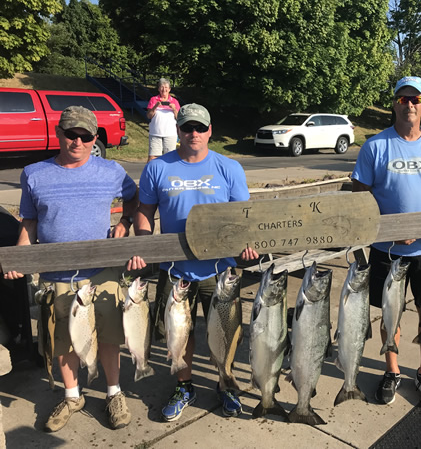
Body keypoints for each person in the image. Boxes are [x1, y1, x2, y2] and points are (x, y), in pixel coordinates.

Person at [3, 106, 139, 432]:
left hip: (101, 270)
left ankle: (113, 392)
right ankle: (72, 395)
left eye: (86, 136)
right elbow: (30, 222)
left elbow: (134, 200)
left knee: (108, 336)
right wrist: (20, 261)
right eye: (71, 134)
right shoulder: (34, 173)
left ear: (95, 138)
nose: (77, 141)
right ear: (59, 133)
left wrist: (124, 224)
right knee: (62, 339)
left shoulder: (112, 170)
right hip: (56, 274)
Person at [127, 103, 258, 422]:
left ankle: (226, 384)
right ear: (178, 131)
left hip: (219, 270)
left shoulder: (229, 168)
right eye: (188, 127)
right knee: (180, 335)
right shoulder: (158, 168)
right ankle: (184, 386)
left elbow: (243, 218)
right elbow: (144, 211)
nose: (194, 133)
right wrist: (145, 240)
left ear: (210, 130)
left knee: (225, 334)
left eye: (200, 127)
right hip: (176, 270)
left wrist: (247, 247)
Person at [351, 76, 421, 407]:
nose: (409, 105)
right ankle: (392, 370)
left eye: (415, 99)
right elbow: (360, 197)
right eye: (402, 99)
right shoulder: (375, 146)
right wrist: (387, 229)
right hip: (388, 250)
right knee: (390, 315)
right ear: (394, 104)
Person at [146, 78, 180, 162]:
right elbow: (149, 116)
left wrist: (174, 109)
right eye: (162, 87)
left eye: (166, 87)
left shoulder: (174, 101)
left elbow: (179, 118)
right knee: (153, 158)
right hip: (155, 133)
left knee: (170, 157)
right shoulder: (153, 100)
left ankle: (169, 174)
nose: (164, 89)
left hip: (170, 134)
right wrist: (155, 106)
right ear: (158, 89)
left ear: (169, 89)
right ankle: (150, 174)